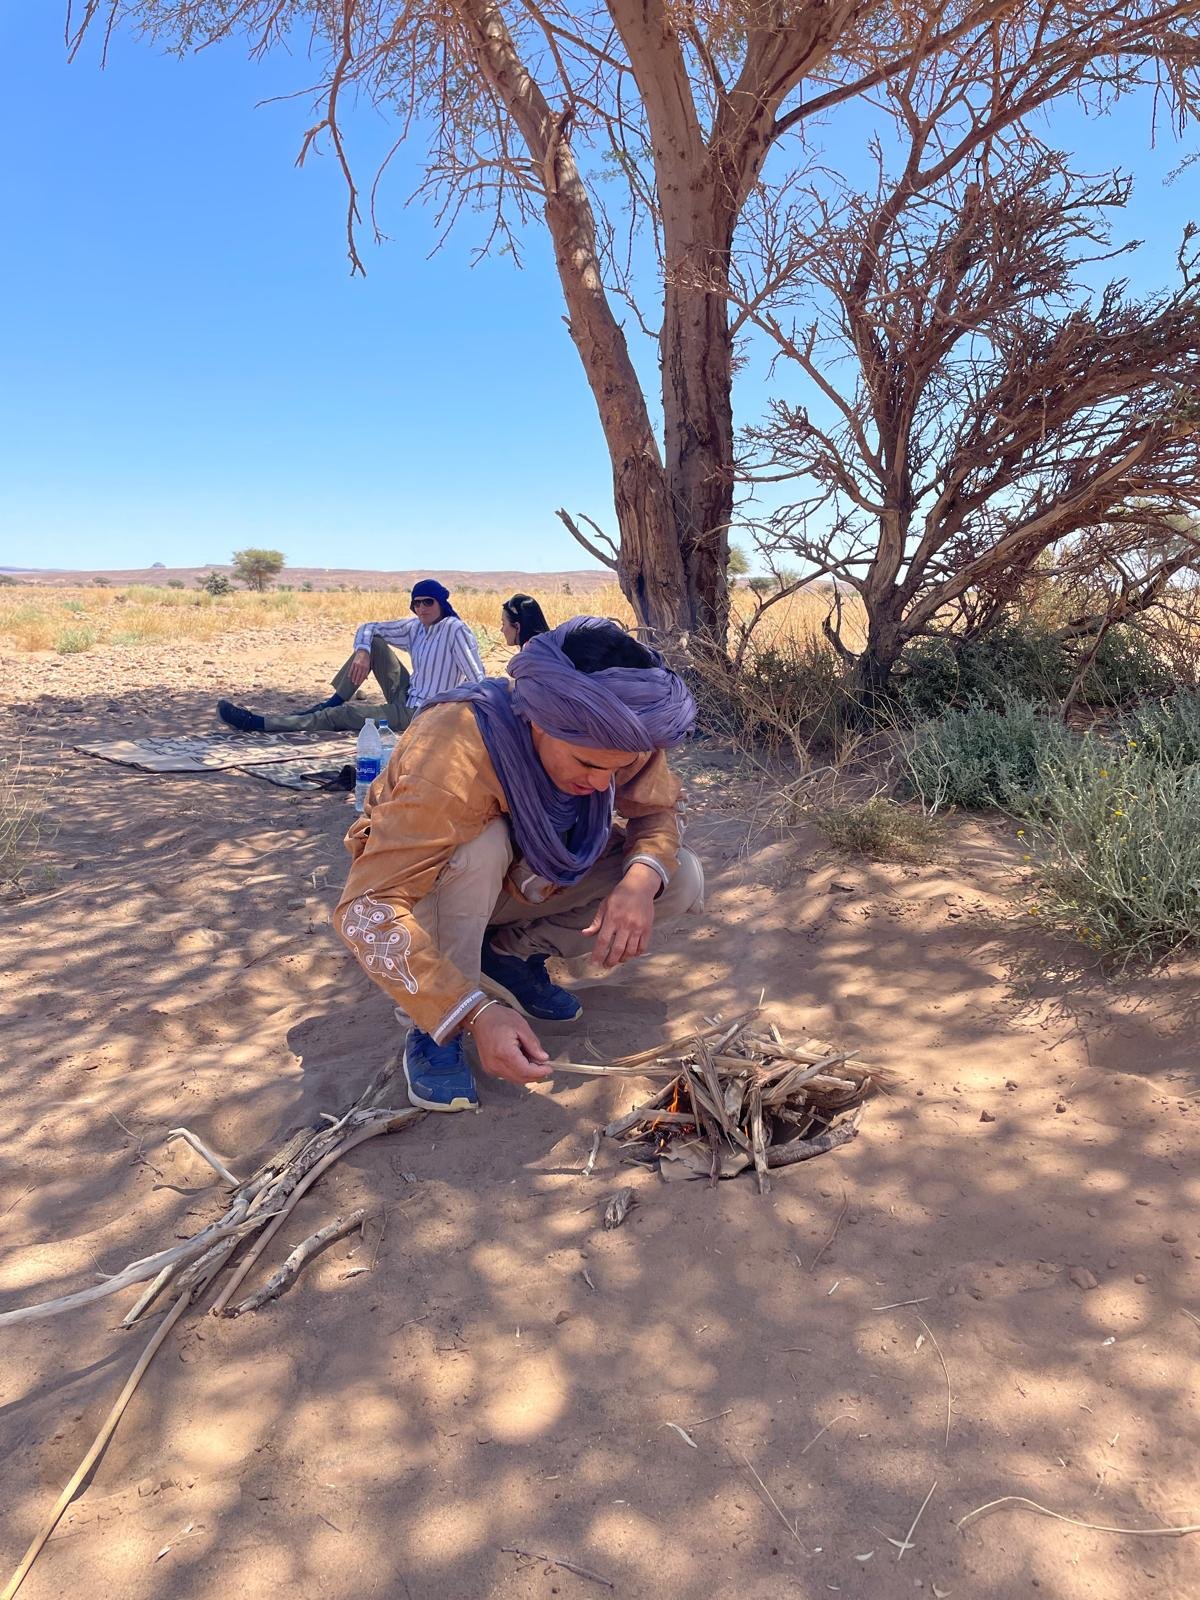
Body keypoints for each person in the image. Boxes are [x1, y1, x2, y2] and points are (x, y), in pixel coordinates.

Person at [334, 617, 703, 1113]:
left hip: (522, 885)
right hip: (440, 885)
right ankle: (433, 1026)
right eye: (589, 765)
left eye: (615, 770)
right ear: (536, 719)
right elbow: (367, 909)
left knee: (675, 876)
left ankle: (506, 955)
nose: (602, 786)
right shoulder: (451, 748)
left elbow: (656, 809)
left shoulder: (621, 732)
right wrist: (470, 1013)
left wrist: (637, 884)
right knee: (479, 847)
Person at [216, 578, 486, 735]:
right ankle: (330, 701)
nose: (422, 608)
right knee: (374, 643)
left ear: (441, 603)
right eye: (417, 603)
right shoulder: (415, 627)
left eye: (428, 602)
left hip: (422, 711)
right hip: (409, 692)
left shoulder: (455, 630)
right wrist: (363, 652)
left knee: (340, 715)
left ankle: (261, 723)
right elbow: (369, 628)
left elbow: (478, 678)